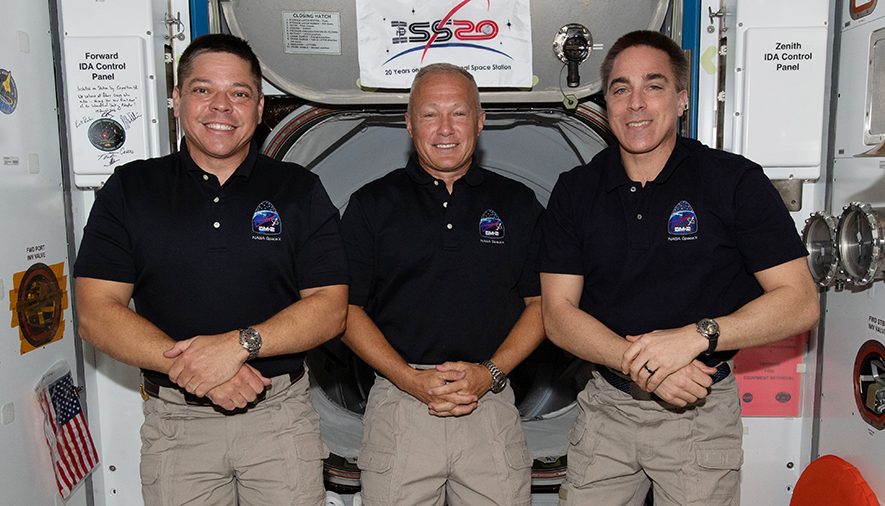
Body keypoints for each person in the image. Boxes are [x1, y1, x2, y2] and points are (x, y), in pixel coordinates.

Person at [538, 30, 820, 506]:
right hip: (607, 408)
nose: (636, 104)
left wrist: (696, 336)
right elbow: (558, 314)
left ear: (682, 99)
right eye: (620, 89)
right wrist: (650, 367)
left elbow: (800, 302)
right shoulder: (576, 190)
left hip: (700, 410)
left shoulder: (733, 181)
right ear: (605, 104)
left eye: (654, 85)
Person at [74, 34, 348, 506]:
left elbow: (329, 309)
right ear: (177, 99)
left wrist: (238, 346)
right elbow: (95, 312)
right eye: (203, 90)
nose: (222, 106)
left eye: (239, 93)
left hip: (279, 420)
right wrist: (200, 368)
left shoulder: (300, 190)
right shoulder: (131, 189)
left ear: (259, 108)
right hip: (178, 426)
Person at [339, 63, 544, 506]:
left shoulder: (518, 203)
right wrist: (409, 379)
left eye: (459, 113)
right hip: (400, 406)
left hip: (490, 404)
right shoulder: (371, 205)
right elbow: (344, 312)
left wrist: (489, 374)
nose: (445, 128)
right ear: (409, 123)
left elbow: (543, 305)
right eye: (430, 114)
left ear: (481, 120)